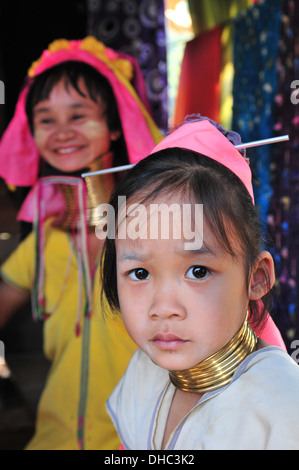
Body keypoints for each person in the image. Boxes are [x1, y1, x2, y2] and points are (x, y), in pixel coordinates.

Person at [0, 37, 162, 450]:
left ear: (113, 125)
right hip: (52, 438)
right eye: (46, 119)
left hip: (140, 444)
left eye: (78, 115)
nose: (62, 132)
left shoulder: (159, 231)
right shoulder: (47, 238)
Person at [102, 116, 299, 450]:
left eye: (197, 271)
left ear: (257, 278)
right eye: (140, 274)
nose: (163, 307)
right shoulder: (143, 371)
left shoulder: (282, 406)